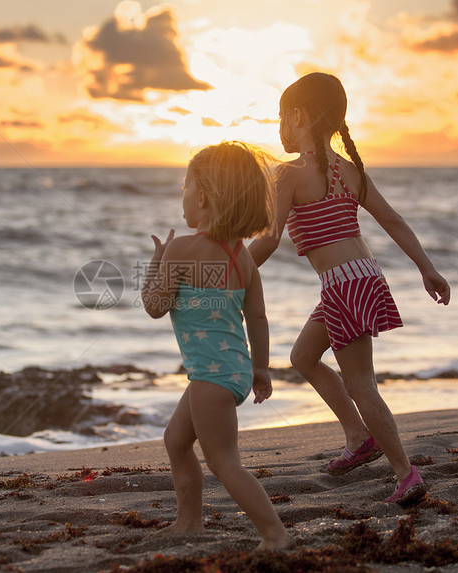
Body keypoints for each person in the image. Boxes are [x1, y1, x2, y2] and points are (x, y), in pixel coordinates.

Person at [249, 72, 451, 506]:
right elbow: (393, 221)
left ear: (298, 115)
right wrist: (426, 268)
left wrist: (231, 270)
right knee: (303, 357)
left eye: (281, 117)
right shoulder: (350, 171)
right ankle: (359, 437)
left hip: (344, 285)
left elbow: (267, 239)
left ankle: (405, 472)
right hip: (363, 277)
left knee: (361, 384)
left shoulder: (289, 175)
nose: (278, 127)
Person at [141, 141, 292, 550]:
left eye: (185, 188)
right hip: (232, 371)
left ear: (203, 196)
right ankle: (189, 522)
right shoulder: (243, 259)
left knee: (225, 462)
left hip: (212, 377)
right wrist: (261, 370)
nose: (183, 198)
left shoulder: (181, 250)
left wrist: (155, 266)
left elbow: (155, 307)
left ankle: (275, 534)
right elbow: (257, 319)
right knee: (176, 439)